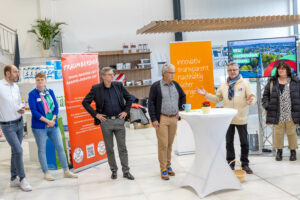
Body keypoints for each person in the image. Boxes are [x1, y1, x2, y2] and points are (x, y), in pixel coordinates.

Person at [196, 62, 256, 174]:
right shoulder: (224, 85)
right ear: (227, 71)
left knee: (244, 142)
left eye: (234, 70)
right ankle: (231, 164)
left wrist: (251, 100)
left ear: (238, 70)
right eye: (230, 70)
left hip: (241, 118)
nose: (232, 72)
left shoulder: (245, 84)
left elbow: (252, 97)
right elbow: (217, 99)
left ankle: (245, 164)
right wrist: (205, 94)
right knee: (229, 142)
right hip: (228, 119)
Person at [82, 67, 134, 180]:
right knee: (109, 148)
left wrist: (125, 111)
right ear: (103, 76)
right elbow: (85, 102)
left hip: (119, 121)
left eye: (112, 74)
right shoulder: (96, 89)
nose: (112, 76)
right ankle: (114, 171)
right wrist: (96, 115)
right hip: (106, 123)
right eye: (110, 74)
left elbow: (129, 99)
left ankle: (126, 171)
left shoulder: (118, 85)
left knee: (122, 148)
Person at [28, 72, 78, 181]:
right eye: (38, 80)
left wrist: (53, 120)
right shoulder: (32, 94)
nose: (40, 82)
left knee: (60, 147)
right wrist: (47, 121)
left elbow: (55, 107)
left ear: (46, 81)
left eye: (42, 79)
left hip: (53, 125)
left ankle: (66, 171)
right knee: (42, 149)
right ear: (35, 82)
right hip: (39, 127)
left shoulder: (50, 92)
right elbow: (34, 112)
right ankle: (46, 173)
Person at [148, 63, 186, 180]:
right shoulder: (156, 86)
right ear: (164, 73)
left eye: (173, 72)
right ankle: (163, 168)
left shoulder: (175, 85)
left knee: (170, 144)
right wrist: (154, 119)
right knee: (163, 144)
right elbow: (151, 103)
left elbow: (183, 96)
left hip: (174, 118)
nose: (173, 75)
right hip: (162, 118)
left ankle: (169, 165)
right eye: (171, 72)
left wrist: (180, 108)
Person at [0, 64, 32, 191]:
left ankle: (14, 178)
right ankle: (22, 178)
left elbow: (19, 101)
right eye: (15, 72)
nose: (17, 74)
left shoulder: (16, 87)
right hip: (7, 126)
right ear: (7, 73)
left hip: (19, 123)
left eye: (17, 71)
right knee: (19, 151)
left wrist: (21, 108)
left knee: (15, 151)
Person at [262, 62, 300, 161]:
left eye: (283, 69)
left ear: (288, 70)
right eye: (279, 69)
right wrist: (267, 106)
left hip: (291, 112)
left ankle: (293, 151)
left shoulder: (295, 81)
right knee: (278, 133)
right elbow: (265, 96)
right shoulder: (272, 82)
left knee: (292, 133)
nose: (281, 70)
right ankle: (279, 152)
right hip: (277, 112)